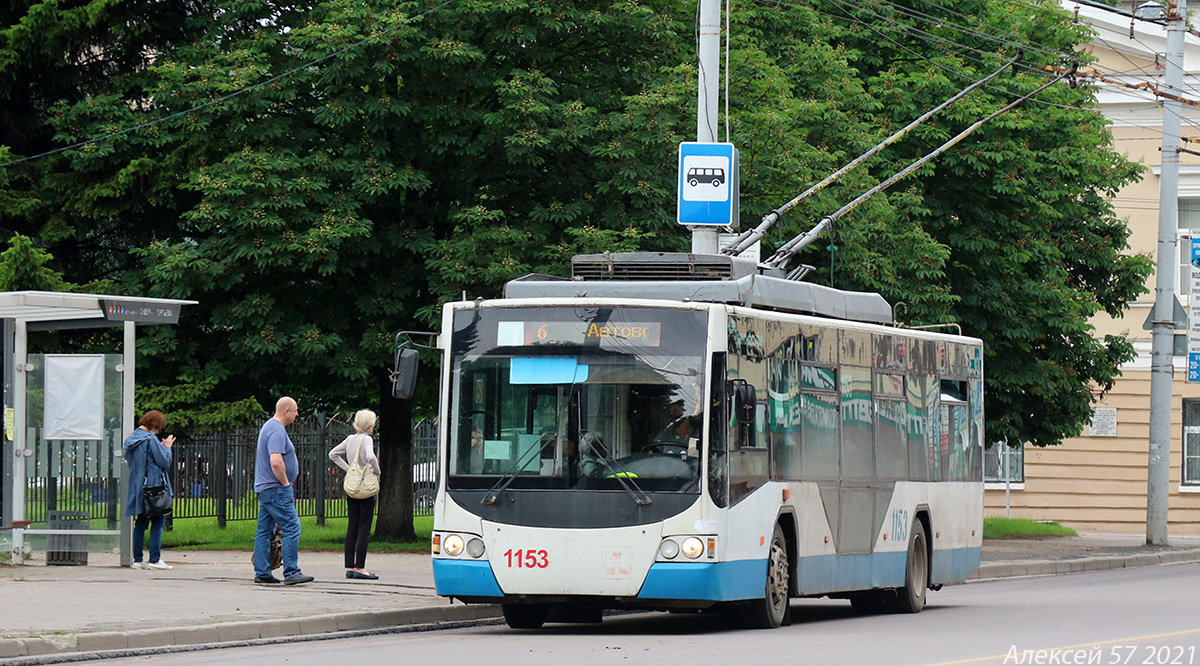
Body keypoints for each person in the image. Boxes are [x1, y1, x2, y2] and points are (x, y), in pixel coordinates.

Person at [252, 396, 313, 585]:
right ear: (286, 411)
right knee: (292, 526)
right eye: (295, 410)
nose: (297, 414)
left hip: (266, 488)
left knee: (264, 530)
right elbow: (276, 461)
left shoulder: (268, 427)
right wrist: (286, 483)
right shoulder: (277, 431)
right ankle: (291, 572)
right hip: (276, 488)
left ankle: (262, 571)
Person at [328, 409, 382, 580]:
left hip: (352, 487)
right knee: (364, 528)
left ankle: (350, 566)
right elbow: (371, 456)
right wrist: (377, 471)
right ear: (370, 425)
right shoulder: (367, 439)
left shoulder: (350, 439)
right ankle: (360, 568)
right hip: (365, 487)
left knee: (352, 526)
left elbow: (333, 454)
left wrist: (349, 469)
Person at [123, 410, 176, 570]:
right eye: (159, 428)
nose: (159, 431)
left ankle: (138, 559)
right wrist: (167, 447)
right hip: (153, 485)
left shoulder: (132, 439)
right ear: (154, 425)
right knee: (158, 521)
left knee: (141, 522)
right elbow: (165, 461)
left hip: (137, 485)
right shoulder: (150, 438)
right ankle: (154, 559)